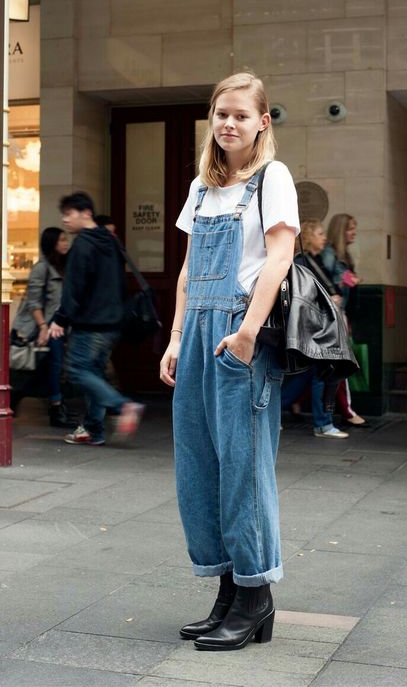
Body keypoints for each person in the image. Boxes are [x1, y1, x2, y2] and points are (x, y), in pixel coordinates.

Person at [160, 72, 299, 651]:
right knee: (198, 470)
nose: (228, 123)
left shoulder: (274, 178)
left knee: (242, 469)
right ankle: (226, 593)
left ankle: (255, 595)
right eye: (220, 114)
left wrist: (245, 333)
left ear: (262, 122)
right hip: (195, 334)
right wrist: (173, 339)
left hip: (239, 333)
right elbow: (190, 271)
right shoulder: (201, 186)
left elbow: (279, 256)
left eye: (240, 114)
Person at [49, 192, 144, 446]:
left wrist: (60, 318)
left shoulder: (82, 244)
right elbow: (121, 281)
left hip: (90, 323)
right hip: (113, 323)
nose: (65, 219)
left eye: (69, 214)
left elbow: (74, 288)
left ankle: (123, 406)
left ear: (86, 213)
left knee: (78, 371)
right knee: (95, 375)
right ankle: (93, 429)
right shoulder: (110, 240)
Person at [281, 219, 348, 439]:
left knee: (307, 375)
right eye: (319, 233)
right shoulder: (303, 261)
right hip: (314, 327)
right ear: (309, 236)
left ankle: (276, 411)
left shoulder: (313, 259)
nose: (324, 237)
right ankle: (323, 424)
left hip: (314, 326)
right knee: (321, 372)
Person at [11, 227, 74, 427]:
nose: (66, 243)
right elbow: (33, 302)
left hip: (61, 325)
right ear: (51, 243)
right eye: (61, 240)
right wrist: (44, 327)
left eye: (66, 239)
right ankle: (56, 408)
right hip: (46, 326)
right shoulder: (42, 268)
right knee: (54, 366)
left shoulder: (64, 266)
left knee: (48, 367)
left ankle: (18, 394)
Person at [321, 213, 367, 426]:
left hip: (341, 314)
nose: (353, 233)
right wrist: (349, 279)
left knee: (324, 369)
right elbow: (327, 280)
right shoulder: (330, 254)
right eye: (350, 229)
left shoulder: (342, 254)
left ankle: (292, 401)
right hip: (333, 315)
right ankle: (347, 412)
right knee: (341, 365)